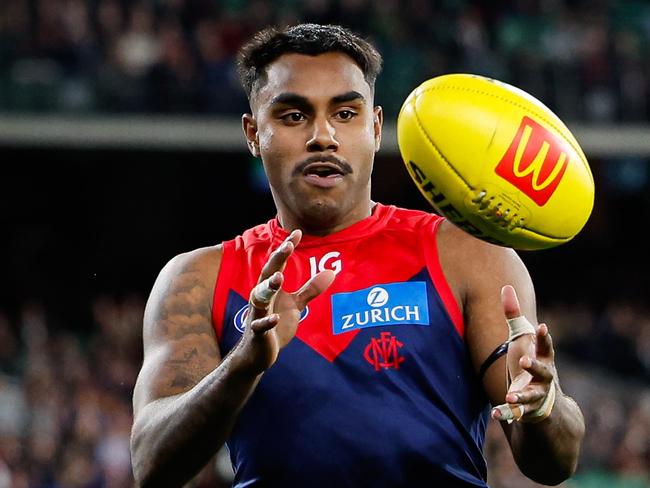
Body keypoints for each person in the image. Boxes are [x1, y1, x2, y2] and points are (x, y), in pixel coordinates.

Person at [130, 23, 585, 487]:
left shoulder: (468, 256)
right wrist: (243, 366)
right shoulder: (199, 278)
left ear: (376, 127)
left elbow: (552, 464)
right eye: (293, 116)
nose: (323, 136)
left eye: (346, 113)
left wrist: (543, 405)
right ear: (253, 133)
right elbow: (152, 464)